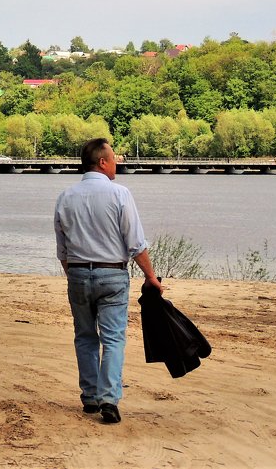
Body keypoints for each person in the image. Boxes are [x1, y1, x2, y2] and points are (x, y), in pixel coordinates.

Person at [54, 137, 162, 424]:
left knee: (85, 336)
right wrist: (151, 277)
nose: (117, 163)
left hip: (77, 272)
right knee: (113, 338)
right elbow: (136, 242)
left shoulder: (65, 197)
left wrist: (73, 275)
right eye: (114, 158)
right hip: (112, 273)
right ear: (102, 162)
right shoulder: (120, 194)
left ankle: (90, 397)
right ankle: (109, 399)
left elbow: (62, 248)